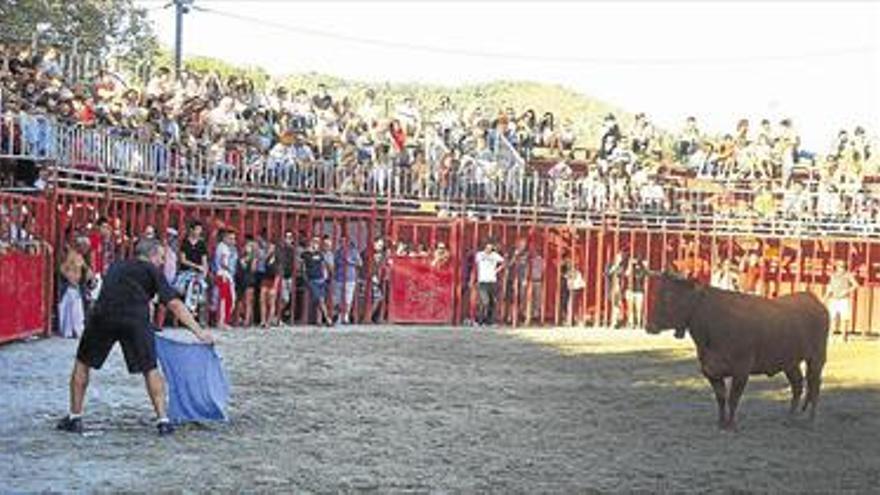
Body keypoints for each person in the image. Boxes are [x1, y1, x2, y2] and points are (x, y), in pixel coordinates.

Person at [56, 238, 213, 436]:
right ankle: (163, 420)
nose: (163, 261)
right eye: (161, 257)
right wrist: (198, 331)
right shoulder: (152, 271)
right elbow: (174, 304)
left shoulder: (116, 265)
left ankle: (75, 417)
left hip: (104, 315)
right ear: (152, 255)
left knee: (82, 363)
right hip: (135, 318)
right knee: (150, 368)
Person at [824, 260, 858, 340]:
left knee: (844, 318)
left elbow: (855, 285)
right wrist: (825, 297)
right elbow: (830, 288)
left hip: (843, 299)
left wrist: (846, 291)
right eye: (839, 266)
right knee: (831, 318)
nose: (841, 268)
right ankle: (830, 336)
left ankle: (843, 337)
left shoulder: (848, 275)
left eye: (842, 266)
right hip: (834, 299)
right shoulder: (833, 276)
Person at [474, 240, 505, 326]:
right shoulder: (480, 254)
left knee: (492, 302)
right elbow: (476, 262)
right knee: (485, 302)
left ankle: (489, 321)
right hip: (483, 281)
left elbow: (504, 262)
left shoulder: (495, 255)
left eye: (491, 248)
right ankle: (479, 320)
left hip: (492, 280)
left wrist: (497, 270)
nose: (489, 249)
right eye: (487, 248)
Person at [303, 236, 331, 326]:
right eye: (314, 242)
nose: (316, 244)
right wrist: (306, 278)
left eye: (318, 242)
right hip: (312, 279)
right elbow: (303, 266)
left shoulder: (320, 254)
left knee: (320, 300)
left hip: (321, 279)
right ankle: (327, 319)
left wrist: (325, 276)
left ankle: (319, 320)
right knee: (320, 299)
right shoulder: (305, 254)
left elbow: (323, 265)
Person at [625, 257, 648, 329]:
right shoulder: (631, 268)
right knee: (630, 308)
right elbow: (626, 274)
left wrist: (645, 265)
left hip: (639, 291)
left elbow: (647, 274)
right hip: (630, 290)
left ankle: (638, 323)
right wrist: (629, 264)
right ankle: (631, 323)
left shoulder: (642, 269)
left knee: (638, 308)